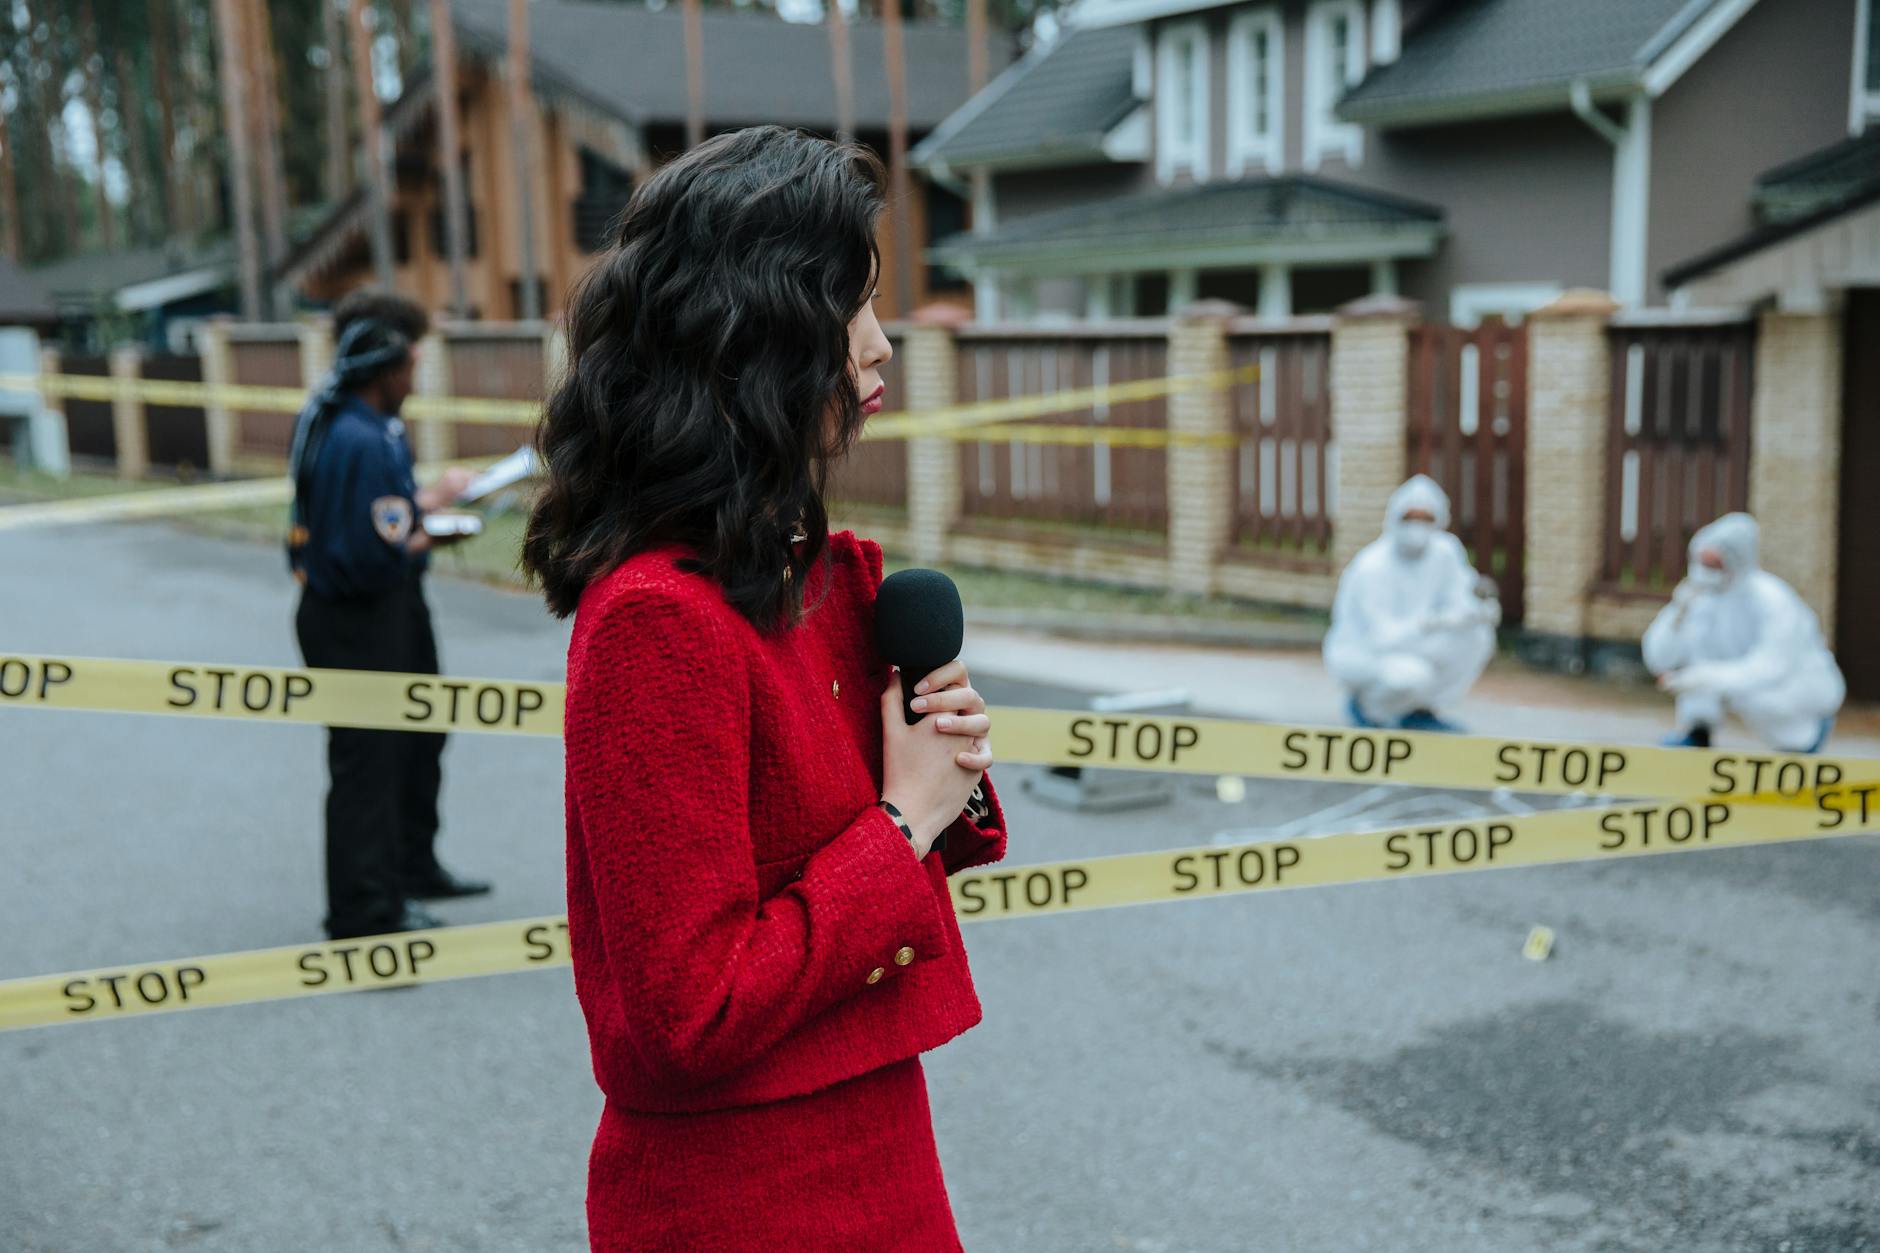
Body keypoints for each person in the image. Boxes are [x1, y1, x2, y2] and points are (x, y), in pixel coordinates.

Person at [523, 127, 1008, 1251]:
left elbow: (838, 837)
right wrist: (905, 818)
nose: (881, 346)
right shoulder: (657, 620)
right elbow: (692, 1007)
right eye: (854, 306)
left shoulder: (798, 576)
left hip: (874, 1138)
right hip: (746, 1193)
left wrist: (943, 772)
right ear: (759, 334)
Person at [287, 291, 491, 940]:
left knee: (418, 739)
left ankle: (409, 867)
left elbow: (383, 516)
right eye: (409, 365)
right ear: (384, 371)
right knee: (367, 764)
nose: (415, 376)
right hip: (360, 617)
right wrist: (443, 534)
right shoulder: (361, 439)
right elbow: (377, 551)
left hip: (384, 608)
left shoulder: (361, 425)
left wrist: (425, 510)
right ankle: (364, 909)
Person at [1643, 512, 1843, 752]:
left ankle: (1800, 746)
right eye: (1701, 563)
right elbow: (1660, 657)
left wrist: (1701, 678)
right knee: (1703, 668)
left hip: (1800, 697)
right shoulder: (1699, 596)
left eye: (1714, 565)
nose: (1705, 572)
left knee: (1758, 700)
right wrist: (1677, 615)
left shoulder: (1772, 600)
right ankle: (1698, 732)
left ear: (1737, 561)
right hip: (1739, 681)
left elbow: (1770, 667)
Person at [1323, 474, 1499, 732]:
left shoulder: (1445, 552)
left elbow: (1461, 596)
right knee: (1412, 676)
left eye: (1425, 518)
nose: (1417, 526)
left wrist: (1477, 611)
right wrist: (1432, 622)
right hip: (1364, 653)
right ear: (1395, 518)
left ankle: (1420, 711)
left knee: (1477, 637)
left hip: (1414, 641)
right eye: (1410, 518)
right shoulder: (1373, 566)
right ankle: (1368, 708)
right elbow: (1381, 637)